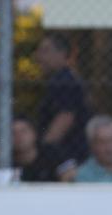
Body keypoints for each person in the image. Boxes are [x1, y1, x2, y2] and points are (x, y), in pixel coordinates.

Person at [34, 33, 90, 163]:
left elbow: (65, 118)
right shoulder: (58, 80)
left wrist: (42, 151)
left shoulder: (64, 81)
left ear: (62, 54)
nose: (39, 57)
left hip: (67, 155)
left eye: (45, 51)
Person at [12, 116, 75, 182]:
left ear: (34, 134)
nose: (19, 136)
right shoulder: (5, 160)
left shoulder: (53, 154)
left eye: (23, 131)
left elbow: (70, 176)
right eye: (13, 133)